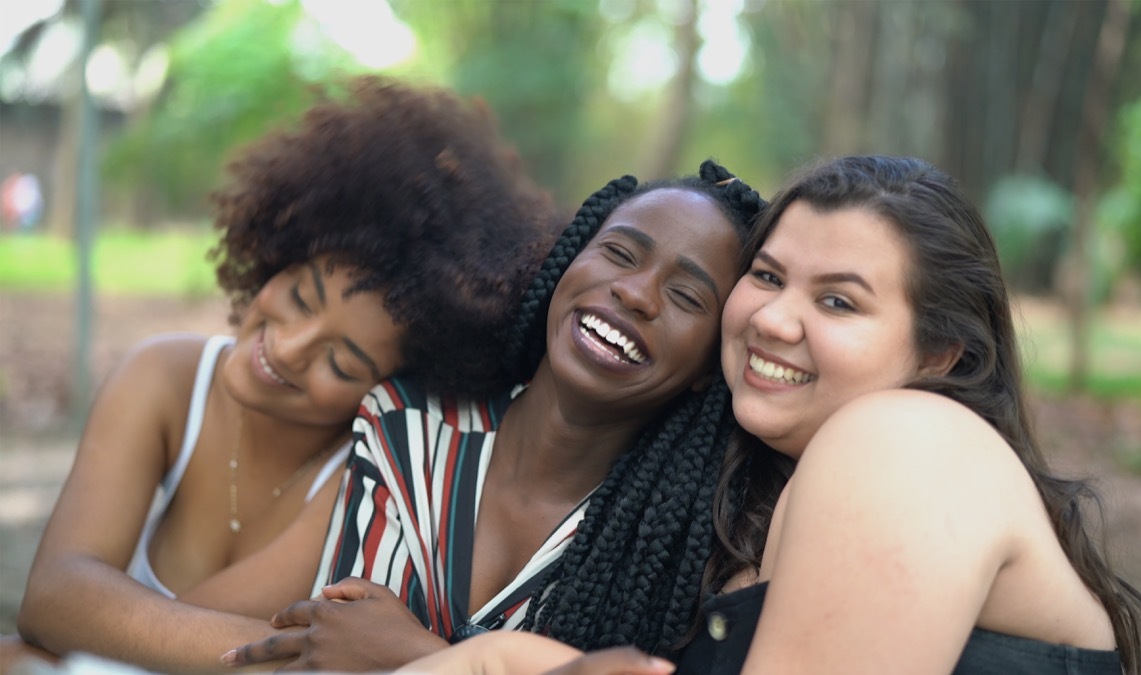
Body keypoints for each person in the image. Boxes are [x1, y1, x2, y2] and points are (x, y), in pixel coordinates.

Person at [395, 155, 1141, 675]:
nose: (773, 320)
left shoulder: (904, 441)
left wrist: (475, 664)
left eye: (838, 300)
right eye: (767, 275)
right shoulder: (757, 511)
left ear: (940, 354)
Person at [12, 76, 557, 672]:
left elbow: (131, 648)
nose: (289, 347)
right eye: (299, 296)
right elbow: (53, 599)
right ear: (280, 250)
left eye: (341, 362)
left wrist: (75, 631)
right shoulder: (163, 376)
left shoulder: (360, 481)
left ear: (388, 388)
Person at [222, 160, 767, 671]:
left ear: (709, 364)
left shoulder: (680, 556)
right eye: (620, 254)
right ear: (570, 258)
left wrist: (414, 657)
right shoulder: (403, 422)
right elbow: (255, 634)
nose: (636, 293)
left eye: (686, 296)